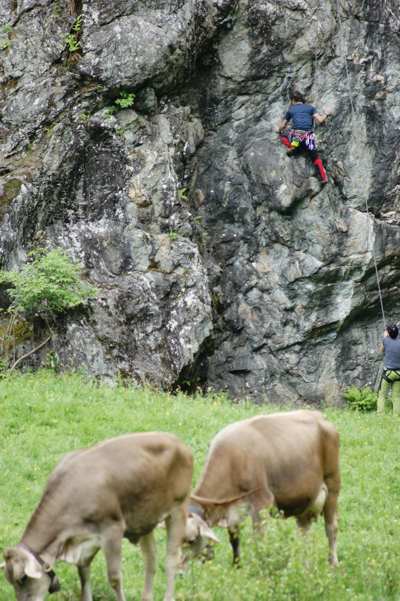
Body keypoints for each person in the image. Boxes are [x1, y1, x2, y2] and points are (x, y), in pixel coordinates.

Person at [277, 90, 331, 184]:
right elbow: (320, 120)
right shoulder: (310, 108)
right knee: (315, 156)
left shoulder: (291, 109)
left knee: (282, 135)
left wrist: (278, 128)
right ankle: (324, 177)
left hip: (297, 136)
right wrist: (327, 114)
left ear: (293, 100)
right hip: (309, 136)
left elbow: (282, 126)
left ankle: (293, 147)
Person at [377, 324, 400, 414]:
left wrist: (385, 336)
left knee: (382, 394)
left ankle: (380, 413)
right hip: (399, 373)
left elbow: (381, 351)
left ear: (389, 333)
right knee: (397, 396)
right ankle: (396, 415)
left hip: (388, 373)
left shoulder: (385, 340)